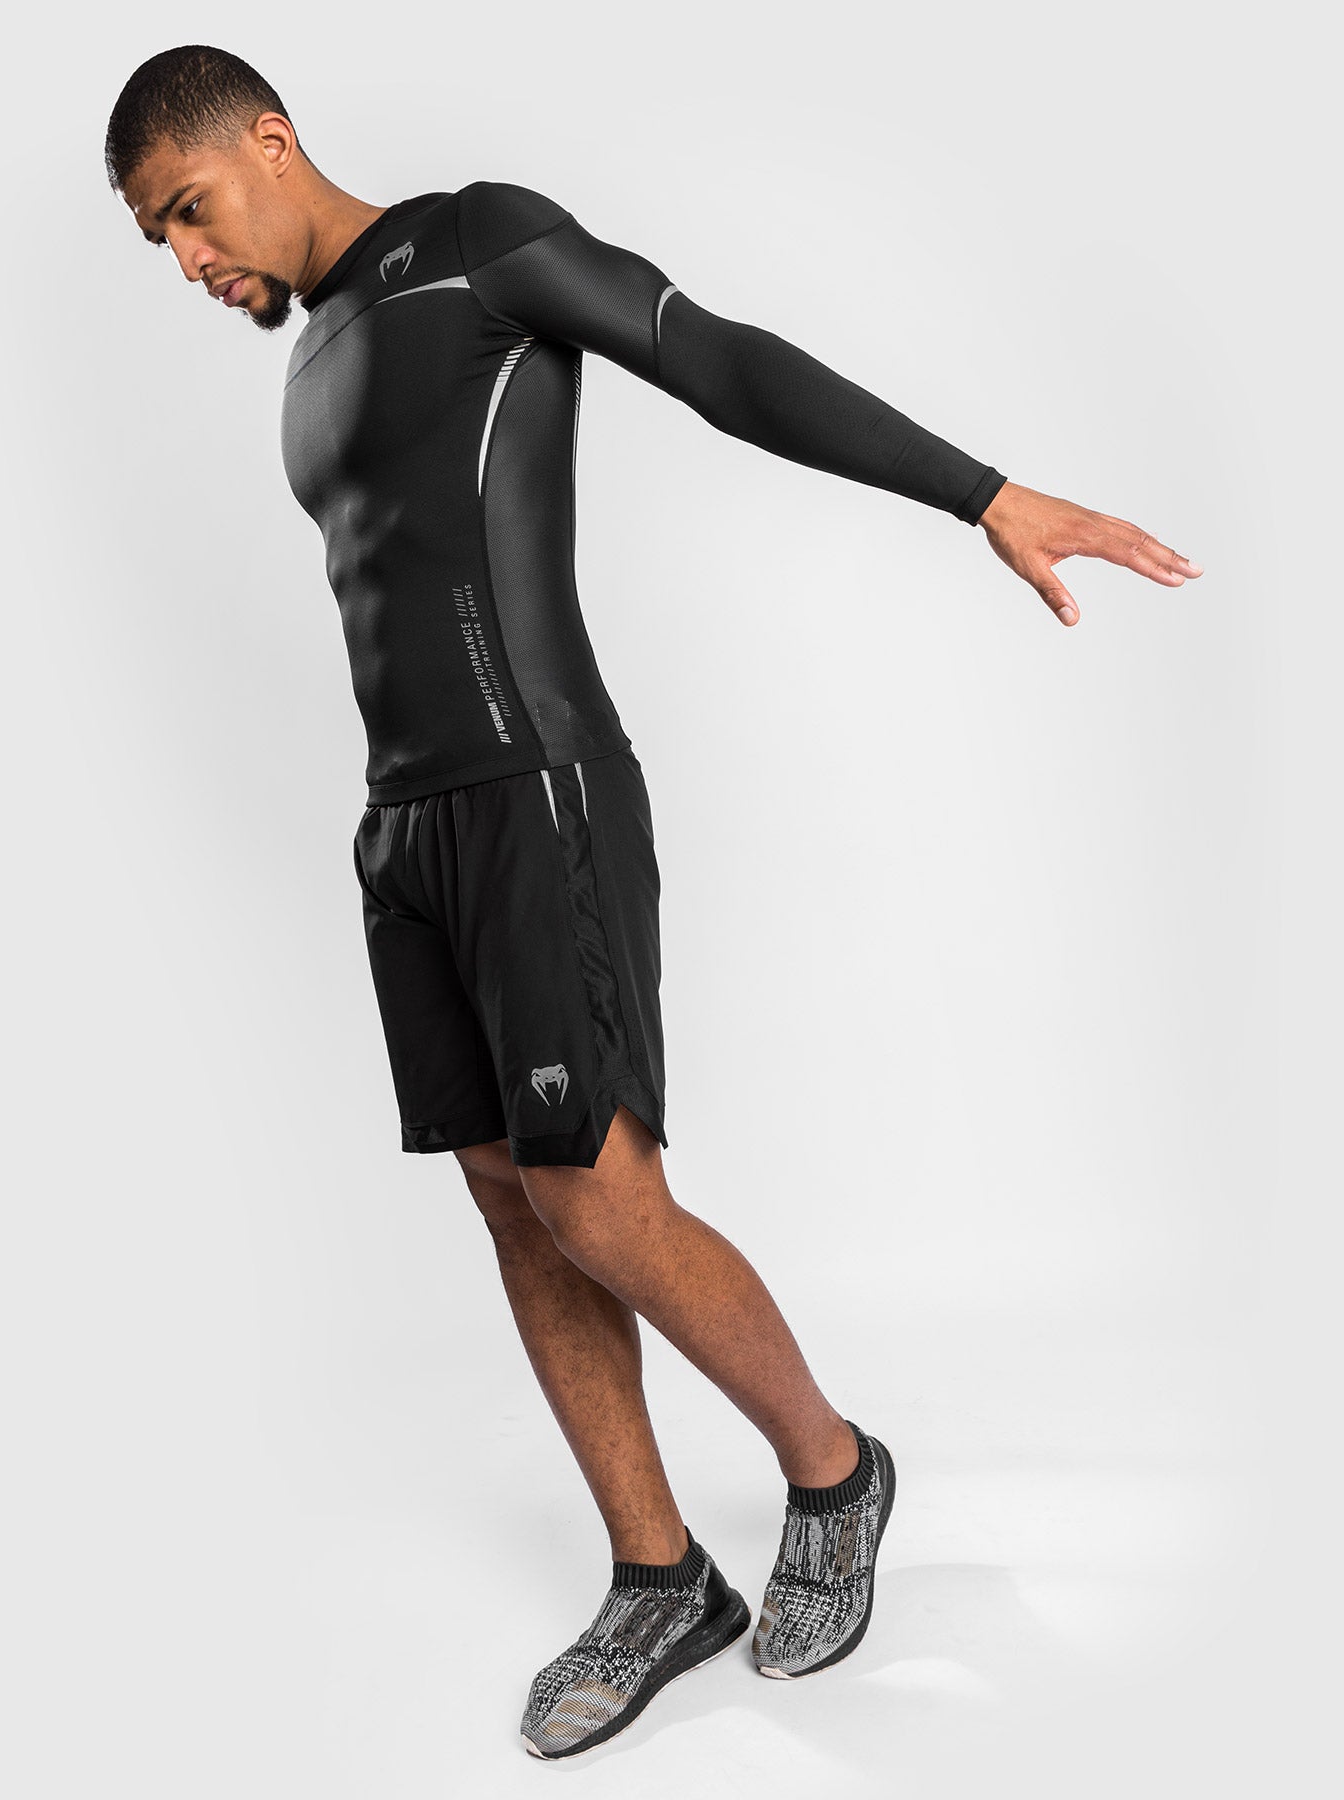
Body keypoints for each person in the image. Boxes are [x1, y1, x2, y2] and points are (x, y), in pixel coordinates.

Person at [104, 44, 1202, 1760]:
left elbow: (722, 361)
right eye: (157, 241)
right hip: (405, 831)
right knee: (510, 1202)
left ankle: (833, 1472)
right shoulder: (309, 357)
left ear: (268, 137)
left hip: (536, 794)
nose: (186, 259)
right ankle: (658, 1574)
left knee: (599, 1201)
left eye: (188, 210)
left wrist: (985, 493)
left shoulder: (482, 243)